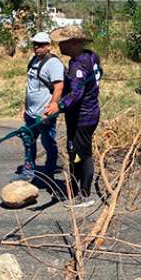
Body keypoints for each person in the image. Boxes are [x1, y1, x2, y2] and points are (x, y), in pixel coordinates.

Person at [44, 25, 102, 208]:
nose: (60, 46)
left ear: (75, 43)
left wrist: (58, 106)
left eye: (64, 43)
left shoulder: (79, 65)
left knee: (81, 154)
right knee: (74, 152)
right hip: (85, 113)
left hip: (83, 117)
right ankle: (76, 188)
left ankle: (83, 194)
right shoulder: (90, 56)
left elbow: (76, 95)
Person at [12, 32, 65, 183]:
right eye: (35, 44)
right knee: (29, 141)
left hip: (44, 113)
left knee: (48, 142)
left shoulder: (54, 63)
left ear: (49, 46)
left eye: (41, 45)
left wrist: (52, 107)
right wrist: (25, 107)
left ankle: (48, 173)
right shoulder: (33, 60)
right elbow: (30, 87)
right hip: (31, 112)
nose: (37, 48)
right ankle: (29, 170)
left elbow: (59, 87)